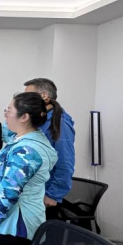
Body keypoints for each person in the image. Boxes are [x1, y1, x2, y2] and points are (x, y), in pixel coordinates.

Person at [0, 93, 58, 245]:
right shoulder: (24, 138)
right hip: (13, 218)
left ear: (24, 117)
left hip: (18, 223)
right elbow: (7, 131)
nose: (5, 115)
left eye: (8, 111)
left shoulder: (28, 149)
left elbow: (10, 190)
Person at [22, 78, 75, 217]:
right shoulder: (39, 120)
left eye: (28, 95)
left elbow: (65, 163)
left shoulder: (60, 123)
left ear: (44, 96)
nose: (24, 100)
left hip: (45, 197)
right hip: (31, 195)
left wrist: (53, 195)